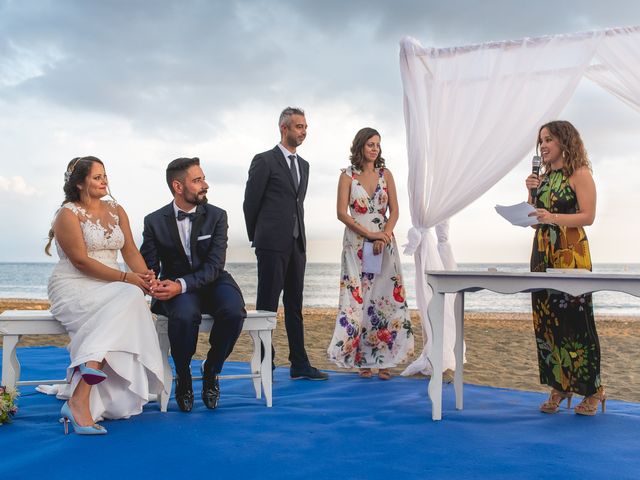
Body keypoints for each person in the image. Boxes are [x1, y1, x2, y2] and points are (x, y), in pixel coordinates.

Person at [45, 156, 166, 435]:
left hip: (114, 285)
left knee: (132, 295)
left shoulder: (116, 210)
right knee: (130, 296)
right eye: (97, 177)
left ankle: (84, 389)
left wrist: (147, 278)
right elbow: (81, 261)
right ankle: (80, 398)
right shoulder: (67, 214)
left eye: (105, 175)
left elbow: (131, 252)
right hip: (75, 283)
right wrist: (128, 279)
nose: (104, 181)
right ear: (79, 183)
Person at [141, 157, 246, 412]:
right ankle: (183, 374)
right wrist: (151, 281)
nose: (205, 185)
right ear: (178, 187)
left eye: (203, 179)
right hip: (177, 285)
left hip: (213, 280)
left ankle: (211, 369)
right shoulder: (154, 221)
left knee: (234, 311)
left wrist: (181, 285)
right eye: (197, 180)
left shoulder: (218, 216)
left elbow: (214, 265)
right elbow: (149, 264)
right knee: (185, 315)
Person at [526, 120, 604, 416]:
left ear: (564, 142)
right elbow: (535, 219)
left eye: (549, 140)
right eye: (541, 141)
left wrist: (552, 217)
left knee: (577, 322)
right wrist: (530, 193)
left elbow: (588, 216)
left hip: (570, 253)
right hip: (542, 252)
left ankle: (593, 389)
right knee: (547, 322)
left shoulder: (579, 174)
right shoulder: (542, 179)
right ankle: (560, 386)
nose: (543, 146)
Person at [243, 107, 328, 380]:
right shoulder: (264, 161)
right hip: (271, 244)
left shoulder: (304, 166)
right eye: (299, 127)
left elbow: (296, 204)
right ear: (284, 128)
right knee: (267, 306)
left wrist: (297, 238)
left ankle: (299, 364)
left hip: (297, 243)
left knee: (295, 305)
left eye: (305, 127)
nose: (304, 132)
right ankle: (265, 360)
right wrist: (259, 237)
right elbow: (250, 203)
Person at [327, 128, 414, 379]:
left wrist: (383, 235)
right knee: (359, 300)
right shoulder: (347, 177)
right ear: (360, 147)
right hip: (356, 244)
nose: (375, 149)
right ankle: (363, 360)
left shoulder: (386, 175)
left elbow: (395, 211)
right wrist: (370, 234)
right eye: (370, 144)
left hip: (384, 244)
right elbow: (342, 213)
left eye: (378, 144)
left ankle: (385, 362)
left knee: (384, 298)